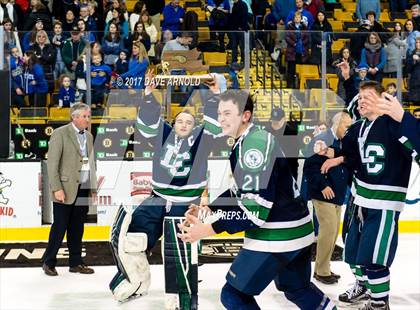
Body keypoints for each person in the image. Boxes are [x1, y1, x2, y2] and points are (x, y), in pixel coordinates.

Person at [177, 89, 336, 310]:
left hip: (278, 235)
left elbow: (254, 211)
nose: (221, 118)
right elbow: (239, 191)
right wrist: (208, 208)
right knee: (298, 289)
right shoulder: (249, 139)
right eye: (220, 113)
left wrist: (207, 230)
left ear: (245, 116)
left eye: (228, 113)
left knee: (233, 295)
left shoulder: (253, 145)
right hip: (297, 231)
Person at [108, 73, 223, 306]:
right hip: (157, 199)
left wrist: (215, 95)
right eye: (180, 121)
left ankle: (180, 300)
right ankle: (135, 282)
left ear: (194, 126)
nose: (184, 124)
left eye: (189, 122)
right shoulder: (163, 135)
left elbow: (215, 123)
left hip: (184, 206)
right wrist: (149, 93)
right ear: (174, 123)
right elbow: (149, 125)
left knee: (178, 255)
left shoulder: (202, 138)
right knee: (129, 238)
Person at [320, 81, 420, 309]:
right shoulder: (359, 127)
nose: (362, 100)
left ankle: (379, 303)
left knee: (375, 258)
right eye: (360, 96)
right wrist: (334, 154)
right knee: (354, 253)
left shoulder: (395, 125)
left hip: (383, 203)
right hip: (359, 200)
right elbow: (351, 154)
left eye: (368, 96)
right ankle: (364, 287)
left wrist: (404, 117)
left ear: (382, 100)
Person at [42, 103, 97, 276]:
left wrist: (92, 186)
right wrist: (56, 188)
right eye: (84, 116)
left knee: (77, 227)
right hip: (64, 188)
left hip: (83, 187)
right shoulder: (60, 134)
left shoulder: (88, 136)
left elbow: (90, 162)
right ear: (74, 117)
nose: (87, 119)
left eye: (88, 116)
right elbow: (52, 164)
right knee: (59, 226)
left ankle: (76, 262)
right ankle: (48, 262)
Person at [303, 112, 352, 285]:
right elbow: (310, 167)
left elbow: (350, 159)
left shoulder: (344, 141)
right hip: (323, 194)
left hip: (338, 195)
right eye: (346, 126)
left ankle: (322, 267)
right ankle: (322, 271)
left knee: (333, 233)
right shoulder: (322, 139)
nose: (348, 130)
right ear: (337, 123)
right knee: (328, 230)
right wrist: (323, 186)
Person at [266, 107, 301, 179]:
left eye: (277, 120)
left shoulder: (291, 133)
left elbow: (292, 156)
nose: (275, 123)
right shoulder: (266, 132)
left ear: (284, 119)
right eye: (273, 120)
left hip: (288, 172)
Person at [285, 11, 310, 88]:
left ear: (301, 18)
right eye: (296, 17)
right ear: (293, 18)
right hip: (292, 51)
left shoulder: (304, 27)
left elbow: (307, 37)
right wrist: (294, 44)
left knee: (300, 69)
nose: (297, 19)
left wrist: (302, 43)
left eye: (299, 17)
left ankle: (299, 86)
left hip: (301, 52)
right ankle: (290, 86)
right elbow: (287, 37)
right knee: (291, 70)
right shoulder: (289, 26)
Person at [406, 37, 420, 105]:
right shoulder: (412, 53)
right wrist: (413, 61)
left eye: (419, 42)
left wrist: (419, 59)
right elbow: (408, 69)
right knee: (415, 103)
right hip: (414, 81)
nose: (417, 44)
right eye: (416, 43)